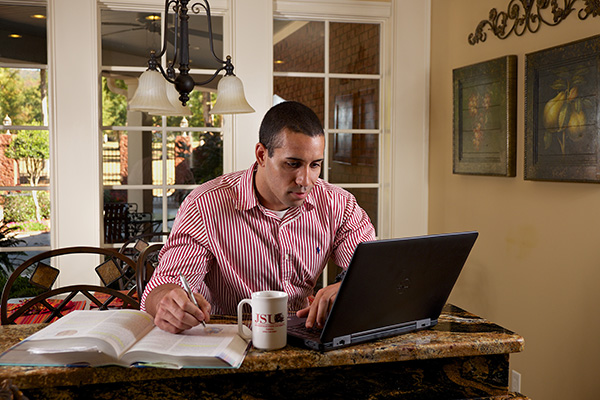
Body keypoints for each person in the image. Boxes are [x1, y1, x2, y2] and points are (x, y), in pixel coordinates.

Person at [141, 101, 376, 333]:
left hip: (304, 334)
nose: (305, 180)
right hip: (231, 337)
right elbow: (163, 286)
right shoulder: (204, 206)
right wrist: (167, 302)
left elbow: (374, 272)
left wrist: (348, 288)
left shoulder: (339, 205)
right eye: (293, 164)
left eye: (315, 165)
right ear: (262, 155)